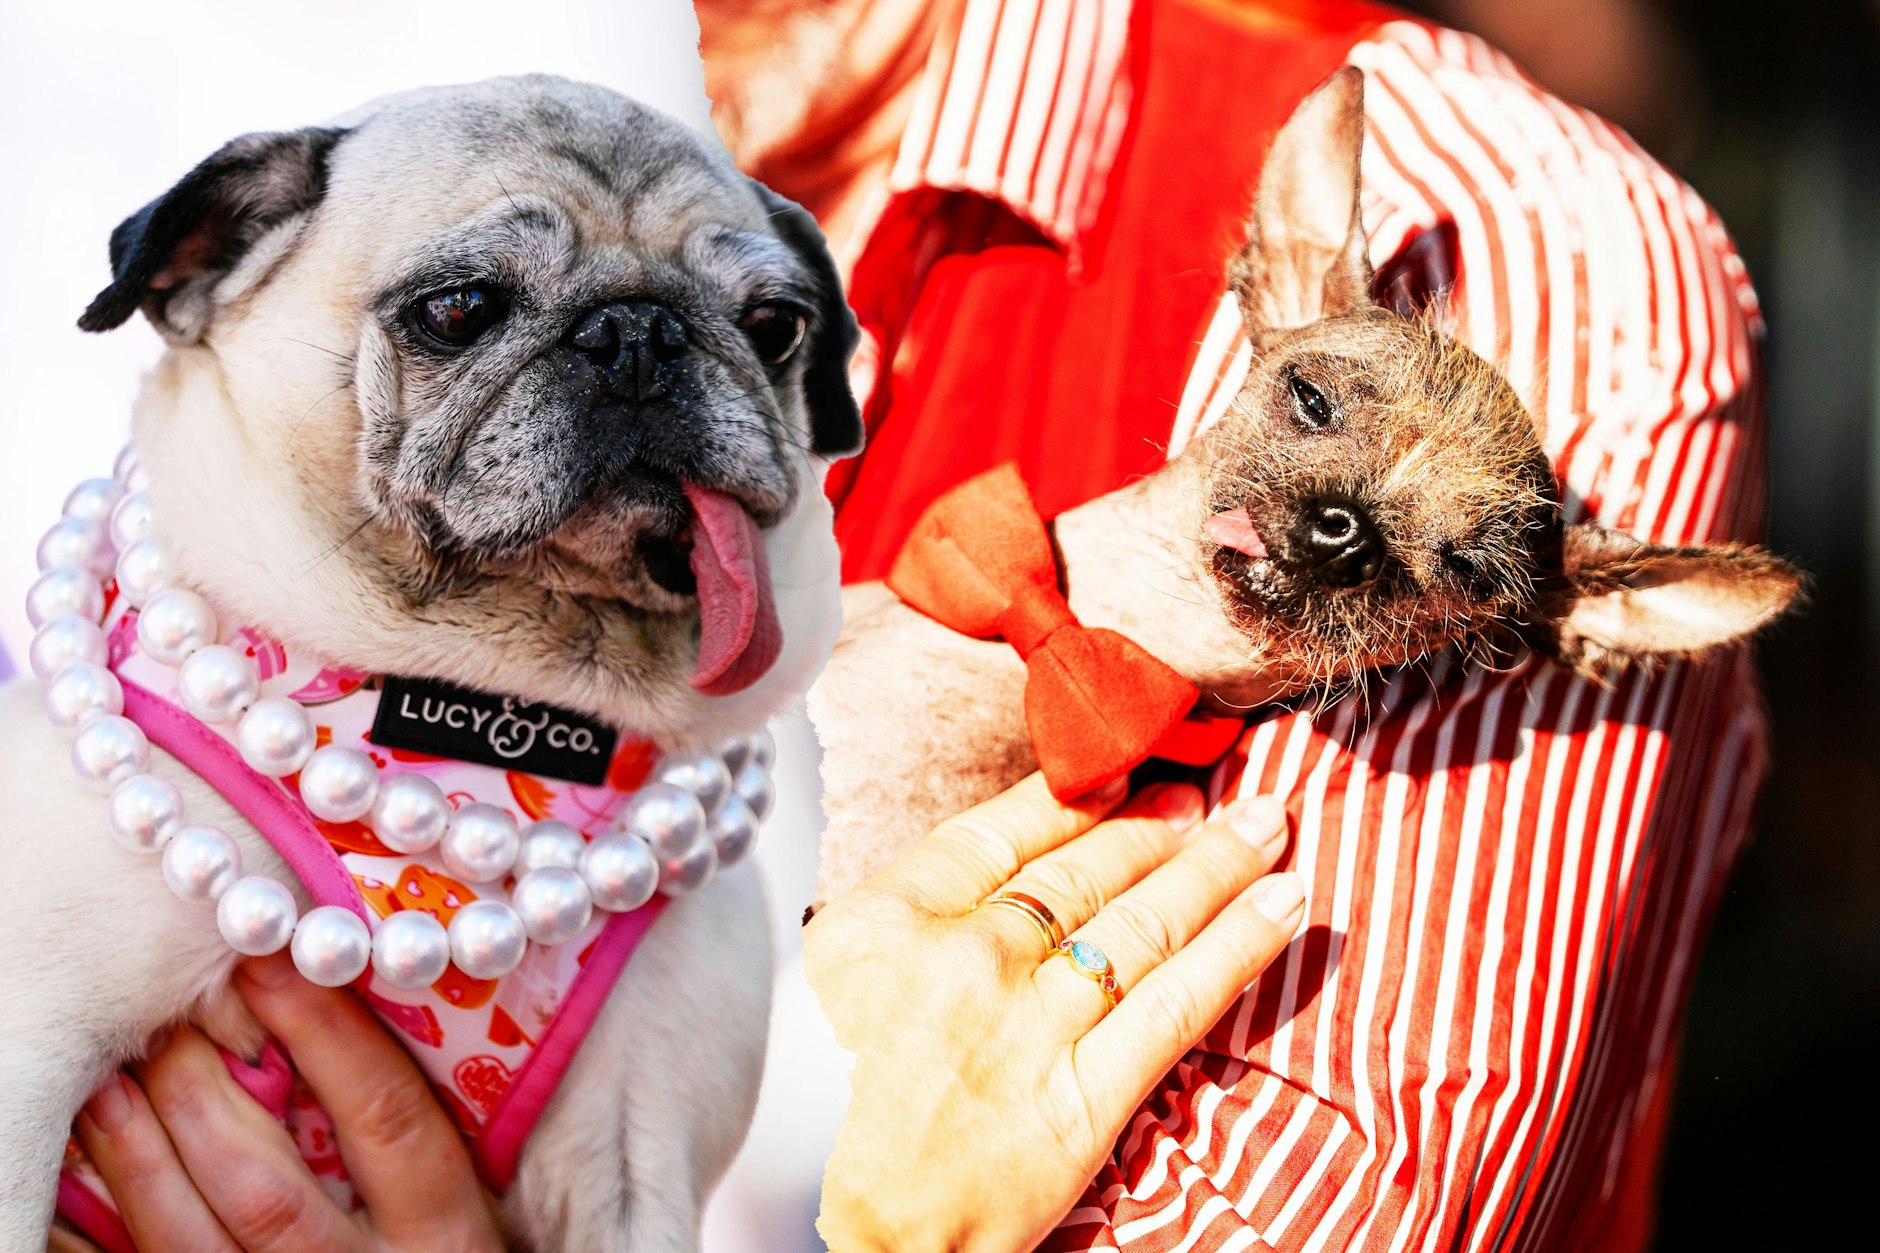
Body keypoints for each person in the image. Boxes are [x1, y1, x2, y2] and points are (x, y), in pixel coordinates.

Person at [698, 0, 1774, 1248]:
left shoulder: (1538, 243)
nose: (1341, 532)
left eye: (1461, 556)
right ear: (1279, 267)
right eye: (1311, 398)